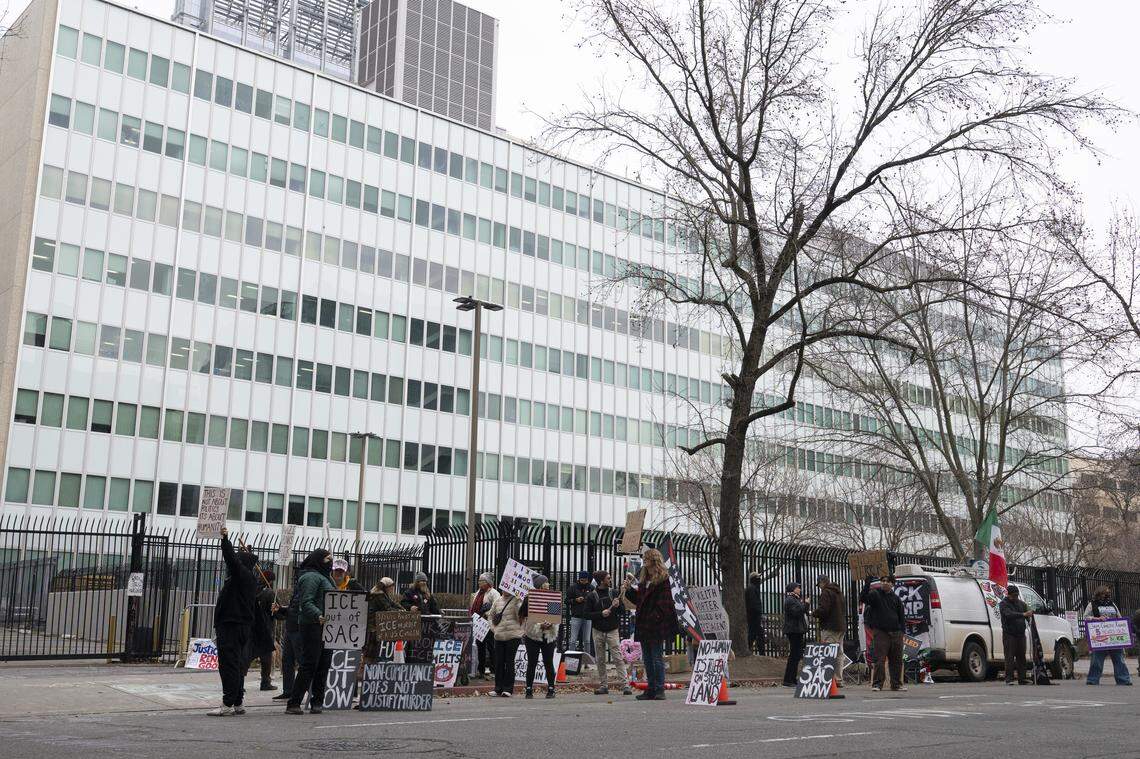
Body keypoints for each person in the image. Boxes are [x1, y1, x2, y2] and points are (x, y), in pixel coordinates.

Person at [208, 528, 259, 717]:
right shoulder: (245, 580)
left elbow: (231, 559)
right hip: (238, 626)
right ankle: (237, 701)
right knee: (236, 664)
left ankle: (228, 702)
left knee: (229, 665)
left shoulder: (242, 576)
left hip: (232, 626)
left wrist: (225, 539)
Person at [621, 548, 677, 701]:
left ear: (654, 560)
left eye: (646, 558)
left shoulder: (663, 579)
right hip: (644, 624)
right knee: (647, 658)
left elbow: (664, 604)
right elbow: (639, 601)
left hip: (655, 624)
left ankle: (659, 689)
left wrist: (654, 617)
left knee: (656, 657)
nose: (644, 561)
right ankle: (650, 688)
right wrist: (628, 591)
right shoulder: (644, 580)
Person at [285, 549, 335, 715]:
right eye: (328, 559)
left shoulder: (325, 577)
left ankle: (317, 701)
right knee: (310, 664)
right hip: (312, 625)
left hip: (326, 625)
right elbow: (306, 602)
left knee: (324, 664)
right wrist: (318, 615)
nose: (331, 562)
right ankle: (294, 702)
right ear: (319, 560)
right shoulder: (310, 577)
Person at [586, 570, 632, 696]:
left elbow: (623, 611)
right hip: (598, 630)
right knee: (600, 659)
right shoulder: (591, 596)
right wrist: (600, 614)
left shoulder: (615, 593)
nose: (610, 580)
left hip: (612, 630)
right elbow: (586, 614)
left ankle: (625, 685)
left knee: (618, 658)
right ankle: (603, 685)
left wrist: (618, 606)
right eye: (608, 578)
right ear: (601, 580)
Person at [860, 574, 907, 693]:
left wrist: (902, 631)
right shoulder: (875, 594)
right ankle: (877, 684)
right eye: (883, 580)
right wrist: (866, 584)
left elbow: (901, 616)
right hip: (881, 632)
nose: (885, 583)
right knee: (879, 660)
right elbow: (863, 598)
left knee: (896, 660)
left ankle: (896, 684)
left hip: (896, 633)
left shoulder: (896, 599)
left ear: (892, 584)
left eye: (888, 581)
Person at [520, 574, 560, 699]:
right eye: (546, 582)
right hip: (532, 635)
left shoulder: (552, 598)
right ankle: (528, 689)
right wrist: (538, 625)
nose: (548, 584)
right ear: (540, 585)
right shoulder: (529, 598)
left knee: (548, 662)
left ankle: (551, 688)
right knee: (532, 662)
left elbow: (555, 616)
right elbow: (522, 615)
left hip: (548, 635)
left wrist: (550, 624)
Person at [1083, 586, 1133, 686]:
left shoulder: (1112, 604)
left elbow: (1119, 617)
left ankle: (1124, 680)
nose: (1107, 595)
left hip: (1113, 636)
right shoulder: (1092, 604)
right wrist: (1096, 619)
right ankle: (1093, 680)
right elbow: (1085, 617)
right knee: (1096, 660)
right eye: (1105, 593)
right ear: (1099, 593)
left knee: (1119, 659)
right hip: (1099, 638)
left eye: (1108, 593)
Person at [812, 574, 846, 687]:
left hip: (830, 626)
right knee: (839, 653)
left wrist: (814, 613)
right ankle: (838, 679)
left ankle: (830, 680)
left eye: (819, 584)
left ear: (822, 582)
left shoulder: (826, 592)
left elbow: (824, 610)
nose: (819, 587)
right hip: (841, 626)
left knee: (829, 652)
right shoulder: (838, 592)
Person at [246, 568, 277, 693]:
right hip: (264, 627)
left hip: (251, 626)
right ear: (270, 580)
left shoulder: (251, 589)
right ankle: (265, 681)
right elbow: (275, 611)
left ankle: (239, 682)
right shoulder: (269, 593)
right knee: (266, 656)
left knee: (247, 655)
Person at [488, 591, 524, 697]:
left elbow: (520, 617)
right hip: (499, 636)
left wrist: (518, 602)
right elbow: (490, 616)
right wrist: (494, 629)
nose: (505, 590)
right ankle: (498, 688)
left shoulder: (517, 600)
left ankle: (508, 688)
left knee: (509, 661)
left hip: (513, 635)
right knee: (498, 662)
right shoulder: (497, 600)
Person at [999, 585, 1032, 685]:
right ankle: (1009, 679)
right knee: (1009, 656)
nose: (1015, 597)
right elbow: (1009, 615)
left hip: (1021, 634)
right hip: (1009, 634)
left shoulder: (1021, 604)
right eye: (1013, 595)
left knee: (1021, 656)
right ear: (1008, 594)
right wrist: (1023, 614)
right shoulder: (1003, 604)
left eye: (1017, 595)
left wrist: (1029, 617)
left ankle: (1022, 678)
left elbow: (1027, 614)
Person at [469, 573, 500, 679]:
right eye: (479, 581)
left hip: (489, 623)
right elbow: (473, 605)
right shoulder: (479, 592)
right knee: (480, 646)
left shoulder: (493, 593)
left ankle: (494, 670)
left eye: (481, 581)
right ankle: (480, 670)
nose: (479, 583)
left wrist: (487, 612)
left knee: (491, 647)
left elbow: (497, 606)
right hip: (479, 623)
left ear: (487, 582)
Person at [782, 582, 809, 687]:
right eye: (798, 587)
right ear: (793, 589)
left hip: (797, 630)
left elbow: (801, 611)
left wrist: (804, 605)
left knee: (796, 655)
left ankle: (792, 679)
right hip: (793, 630)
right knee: (794, 655)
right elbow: (796, 613)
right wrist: (806, 604)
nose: (799, 589)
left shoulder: (795, 599)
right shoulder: (790, 600)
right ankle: (788, 679)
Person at [567, 571, 593, 659]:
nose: (583, 582)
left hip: (587, 617)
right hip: (576, 616)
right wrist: (575, 600)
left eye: (585, 580)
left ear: (587, 579)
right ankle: (571, 659)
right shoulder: (573, 588)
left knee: (587, 640)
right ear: (579, 579)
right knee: (573, 640)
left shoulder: (591, 588)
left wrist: (587, 600)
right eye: (582, 580)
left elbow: (595, 602)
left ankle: (587, 661)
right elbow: (566, 601)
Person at [745, 571, 767, 655]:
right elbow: (753, 604)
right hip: (753, 617)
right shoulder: (752, 589)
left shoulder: (752, 588)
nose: (759, 580)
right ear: (754, 579)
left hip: (754, 616)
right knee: (756, 634)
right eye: (758, 578)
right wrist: (758, 612)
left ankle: (759, 652)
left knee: (754, 635)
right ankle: (761, 653)